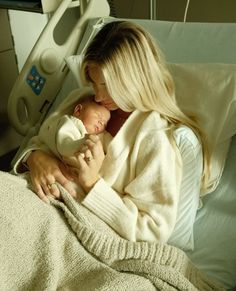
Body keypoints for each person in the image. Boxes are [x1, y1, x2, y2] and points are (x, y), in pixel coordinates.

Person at [13, 20, 210, 249]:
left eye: (106, 85)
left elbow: (151, 230)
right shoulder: (81, 100)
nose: (97, 96)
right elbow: (40, 140)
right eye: (94, 83)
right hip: (34, 194)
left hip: (73, 227)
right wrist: (36, 157)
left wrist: (92, 182)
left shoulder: (154, 137)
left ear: (134, 79)